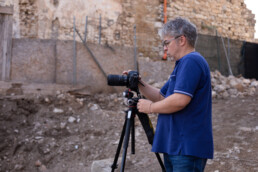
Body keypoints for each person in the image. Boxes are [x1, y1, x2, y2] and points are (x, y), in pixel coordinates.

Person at [123, 17, 213, 172]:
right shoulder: (182, 65)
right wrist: (138, 83)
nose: (164, 48)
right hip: (176, 146)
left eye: (166, 42)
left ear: (182, 40)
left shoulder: (191, 61)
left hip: (186, 147)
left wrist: (150, 108)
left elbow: (179, 100)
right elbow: (161, 97)